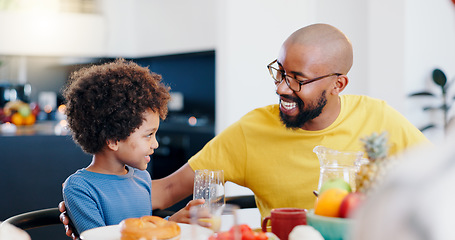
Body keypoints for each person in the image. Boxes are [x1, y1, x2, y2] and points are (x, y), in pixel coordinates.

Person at [60, 23, 430, 238]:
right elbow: (166, 190)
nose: (282, 87)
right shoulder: (252, 131)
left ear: (338, 84)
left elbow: (441, 187)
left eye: (298, 79)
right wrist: (90, 200)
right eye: (280, 72)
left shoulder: (381, 120)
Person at [61, 59, 203, 235]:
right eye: (148, 135)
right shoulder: (80, 188)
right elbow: (101, 238)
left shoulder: (142, 178)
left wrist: (172, 222)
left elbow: (142, 230)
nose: (156, 144)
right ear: (113, 140)